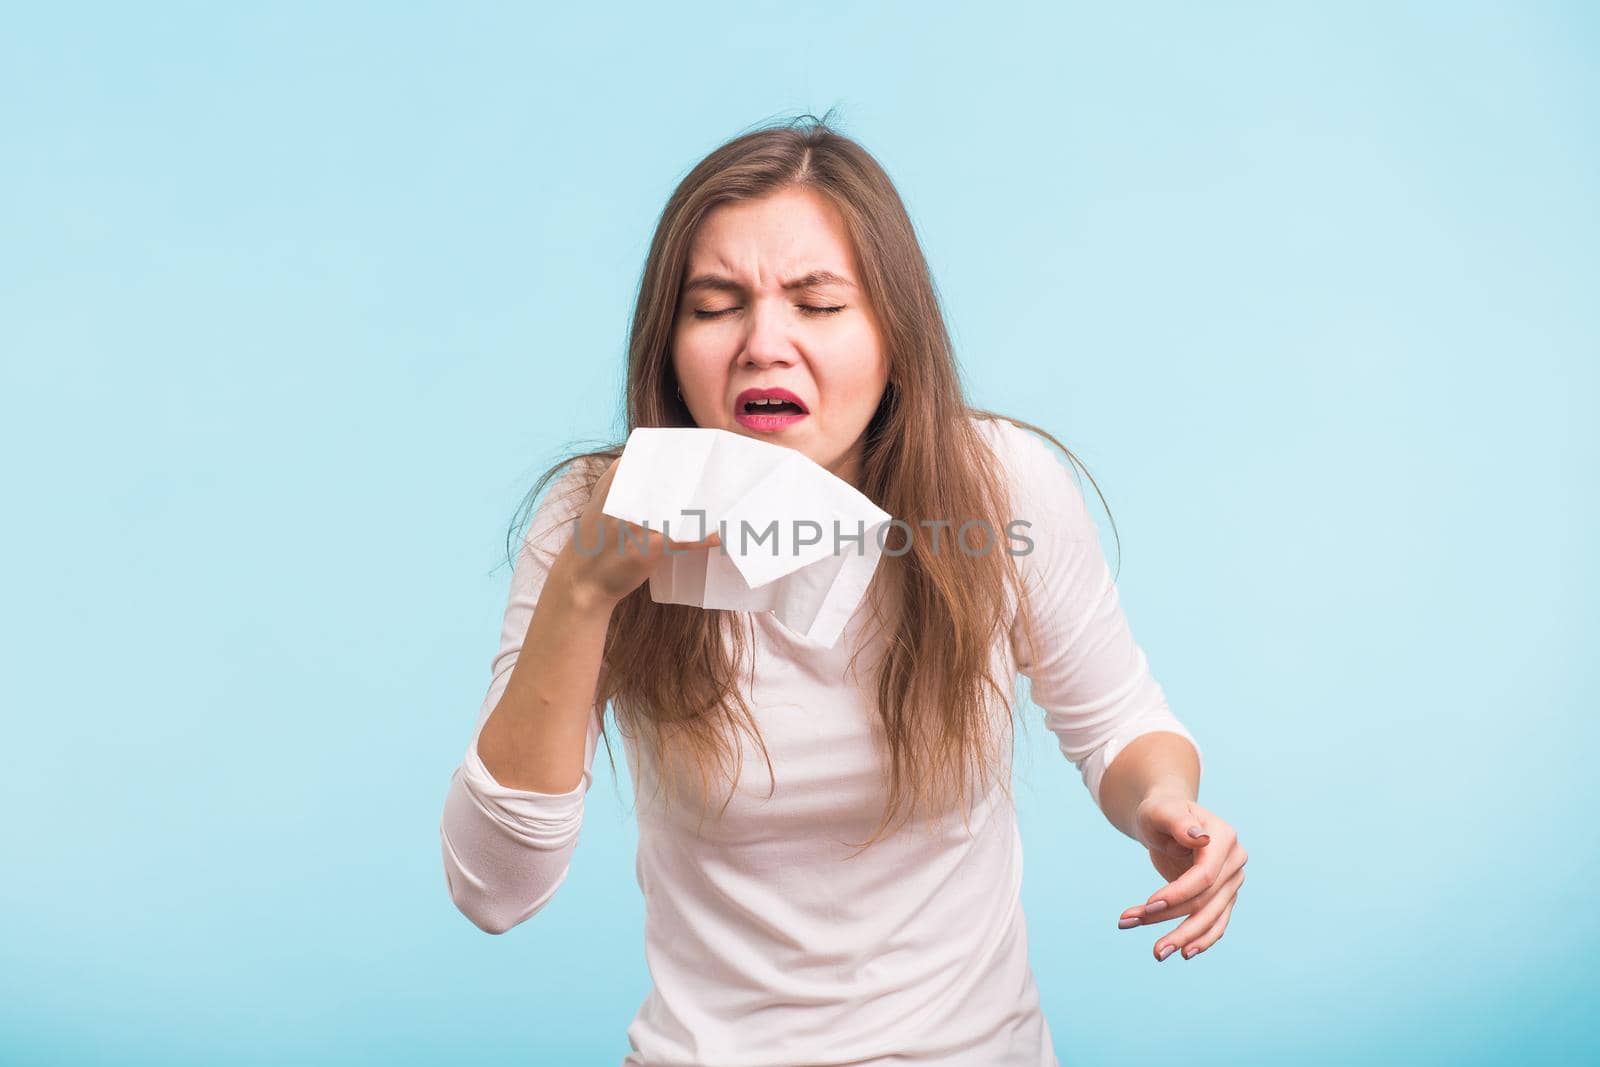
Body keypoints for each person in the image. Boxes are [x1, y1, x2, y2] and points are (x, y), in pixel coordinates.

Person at [439, 113, 1246, 1067]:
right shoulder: (594, 514)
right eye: (713, 305)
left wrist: (1162, 801)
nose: (762, 343)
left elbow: (1116, 719)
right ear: (668, 344)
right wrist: (585, 587)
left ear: (894, 336)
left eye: (817, 305)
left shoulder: (1000, 486)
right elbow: (495, 889)